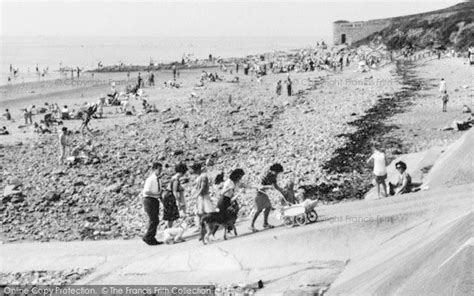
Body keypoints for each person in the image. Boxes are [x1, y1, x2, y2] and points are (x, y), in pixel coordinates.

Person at [250, 163, 285, 232]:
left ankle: (265, 223)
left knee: (268, 207)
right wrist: (268, 187)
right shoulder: (265, 175)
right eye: (277, 172)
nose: (277, 174)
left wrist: (282, 190)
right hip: (258, 193)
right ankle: (251, 225)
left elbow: (275, 186)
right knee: (259, 210)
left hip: (263, 193)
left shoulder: (273, 176)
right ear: (273, 171)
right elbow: (259, 187)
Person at [142, 162, 164, 245]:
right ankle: (148, 237)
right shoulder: (150, 179)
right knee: (153, 220)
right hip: (149, 200)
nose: (160, 171)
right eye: (159, 169)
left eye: (161, 169)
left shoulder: (158, 179)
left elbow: (159, 191)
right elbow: (146, 191)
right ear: (154, 169)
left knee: (155, 220)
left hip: (155, 200)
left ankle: (151, 237)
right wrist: (156, 195)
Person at [190, 163, 214, 232]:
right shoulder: (200, 176)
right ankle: (200, 226)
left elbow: (203, 187)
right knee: (198, 212)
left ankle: (208, 226)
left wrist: (197, 194)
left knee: (204, 211)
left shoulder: (203, 176)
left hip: (203, 196)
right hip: (200, 196)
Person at [163, 163, 187, 228]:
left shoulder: (174, 178)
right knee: (171, 216)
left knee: (170, 216)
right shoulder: (176, 179)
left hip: (167, 195)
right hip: (169, 196)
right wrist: (179, 201)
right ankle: (169, 230)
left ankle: (169, 230)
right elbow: (174, 191)